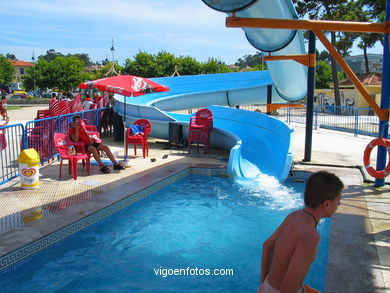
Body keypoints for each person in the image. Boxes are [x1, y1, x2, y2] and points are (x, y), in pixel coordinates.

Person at [258, 171, 344, 293]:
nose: (339, 203)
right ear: (326, 204)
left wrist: (262, 283)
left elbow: (267, 246)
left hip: (268, 286)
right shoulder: (310, 236)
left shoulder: (293, 216)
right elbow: (288, 289)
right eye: (338, 199)